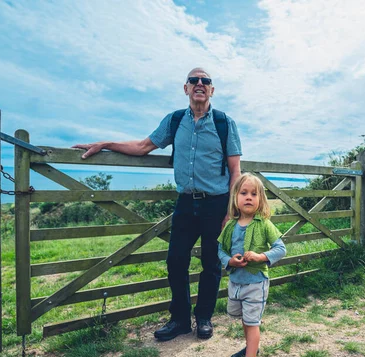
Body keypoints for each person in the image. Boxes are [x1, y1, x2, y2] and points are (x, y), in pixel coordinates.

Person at [72, 67, 242, 341]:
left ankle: (204, 318)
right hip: (186, 203)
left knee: (211, 264)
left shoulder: (224, 123)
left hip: (216, 204)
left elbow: (236, 171)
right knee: (175, 261)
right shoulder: (175, 121)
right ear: (185, 88)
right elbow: (142, 147)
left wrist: (230, 211)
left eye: (205, 81)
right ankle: (180, 320)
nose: (199, 83)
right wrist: (106, 144)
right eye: (193, 80)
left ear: (212, 89)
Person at [217, 173, 286, 357]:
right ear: (235, 197)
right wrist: (229, 261)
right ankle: (250, 348)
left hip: (256, 282)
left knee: (252, 321)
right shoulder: (230, 226)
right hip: (236, 282)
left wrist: (260, 256)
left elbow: (281, 249)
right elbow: (220, 249)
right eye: (244, 193)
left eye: (254, 194)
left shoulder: (264, 224)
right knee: (242, 317)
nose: (249, 197)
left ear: (260, 199)